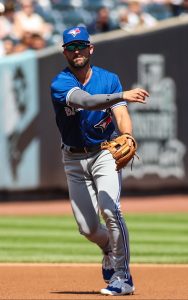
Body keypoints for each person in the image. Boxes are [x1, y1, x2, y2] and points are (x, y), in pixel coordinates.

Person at [50, 26, 149, 296]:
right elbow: (88, 101)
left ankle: (123, 277)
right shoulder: (61, 83)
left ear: (91, 48)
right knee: (88, 228)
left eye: (81, 45)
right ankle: (108, 248)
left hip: (104, 152)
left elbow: (120, 115)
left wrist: (127, 135)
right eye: (71, 47)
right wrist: (122, 94)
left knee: (111, 210)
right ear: (65, 53)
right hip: (72, 159)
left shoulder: (109, 79)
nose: (77, 51)